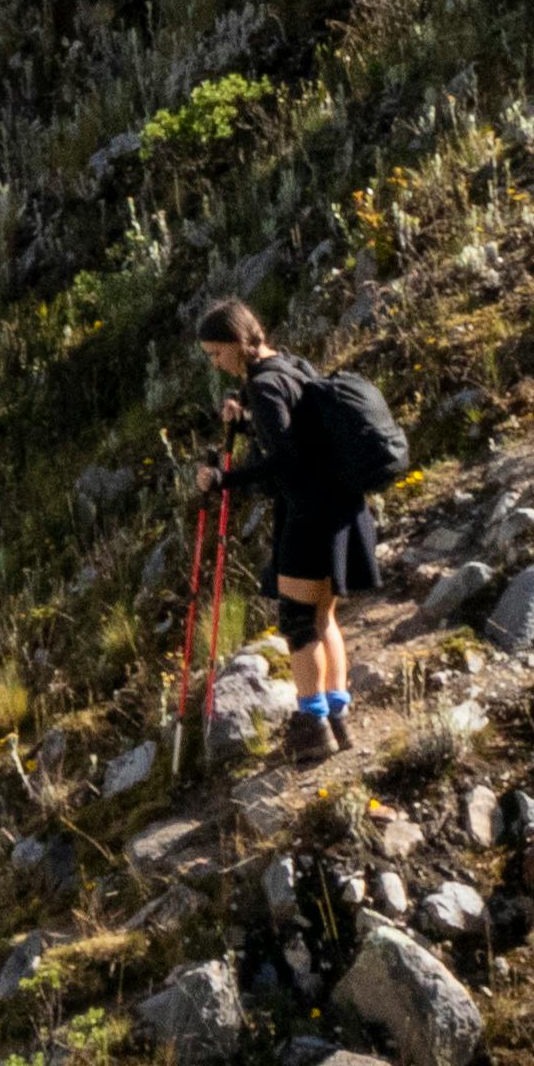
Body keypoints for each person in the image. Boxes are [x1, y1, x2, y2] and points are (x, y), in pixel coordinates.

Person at [192, 296, 384, 759]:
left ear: (237, 342)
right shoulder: (292, 365)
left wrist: (222, 479)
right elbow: (299, 430)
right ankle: (338, 717)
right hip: (343, 506)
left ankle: (312, 725)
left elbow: (284, 460)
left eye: (216, 353)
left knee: (298, 621)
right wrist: (248, 420)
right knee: (323, 616)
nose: (216, 363)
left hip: (309, 515)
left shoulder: (263, 386)